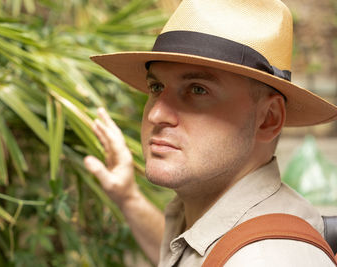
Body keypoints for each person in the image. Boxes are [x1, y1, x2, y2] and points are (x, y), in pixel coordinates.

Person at [83, 0, 337, 266]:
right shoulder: (219, 226)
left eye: (197, 90)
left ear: (268, 119)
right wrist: (128, 197)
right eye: (156, 87)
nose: (156, 115)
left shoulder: (266, 258)